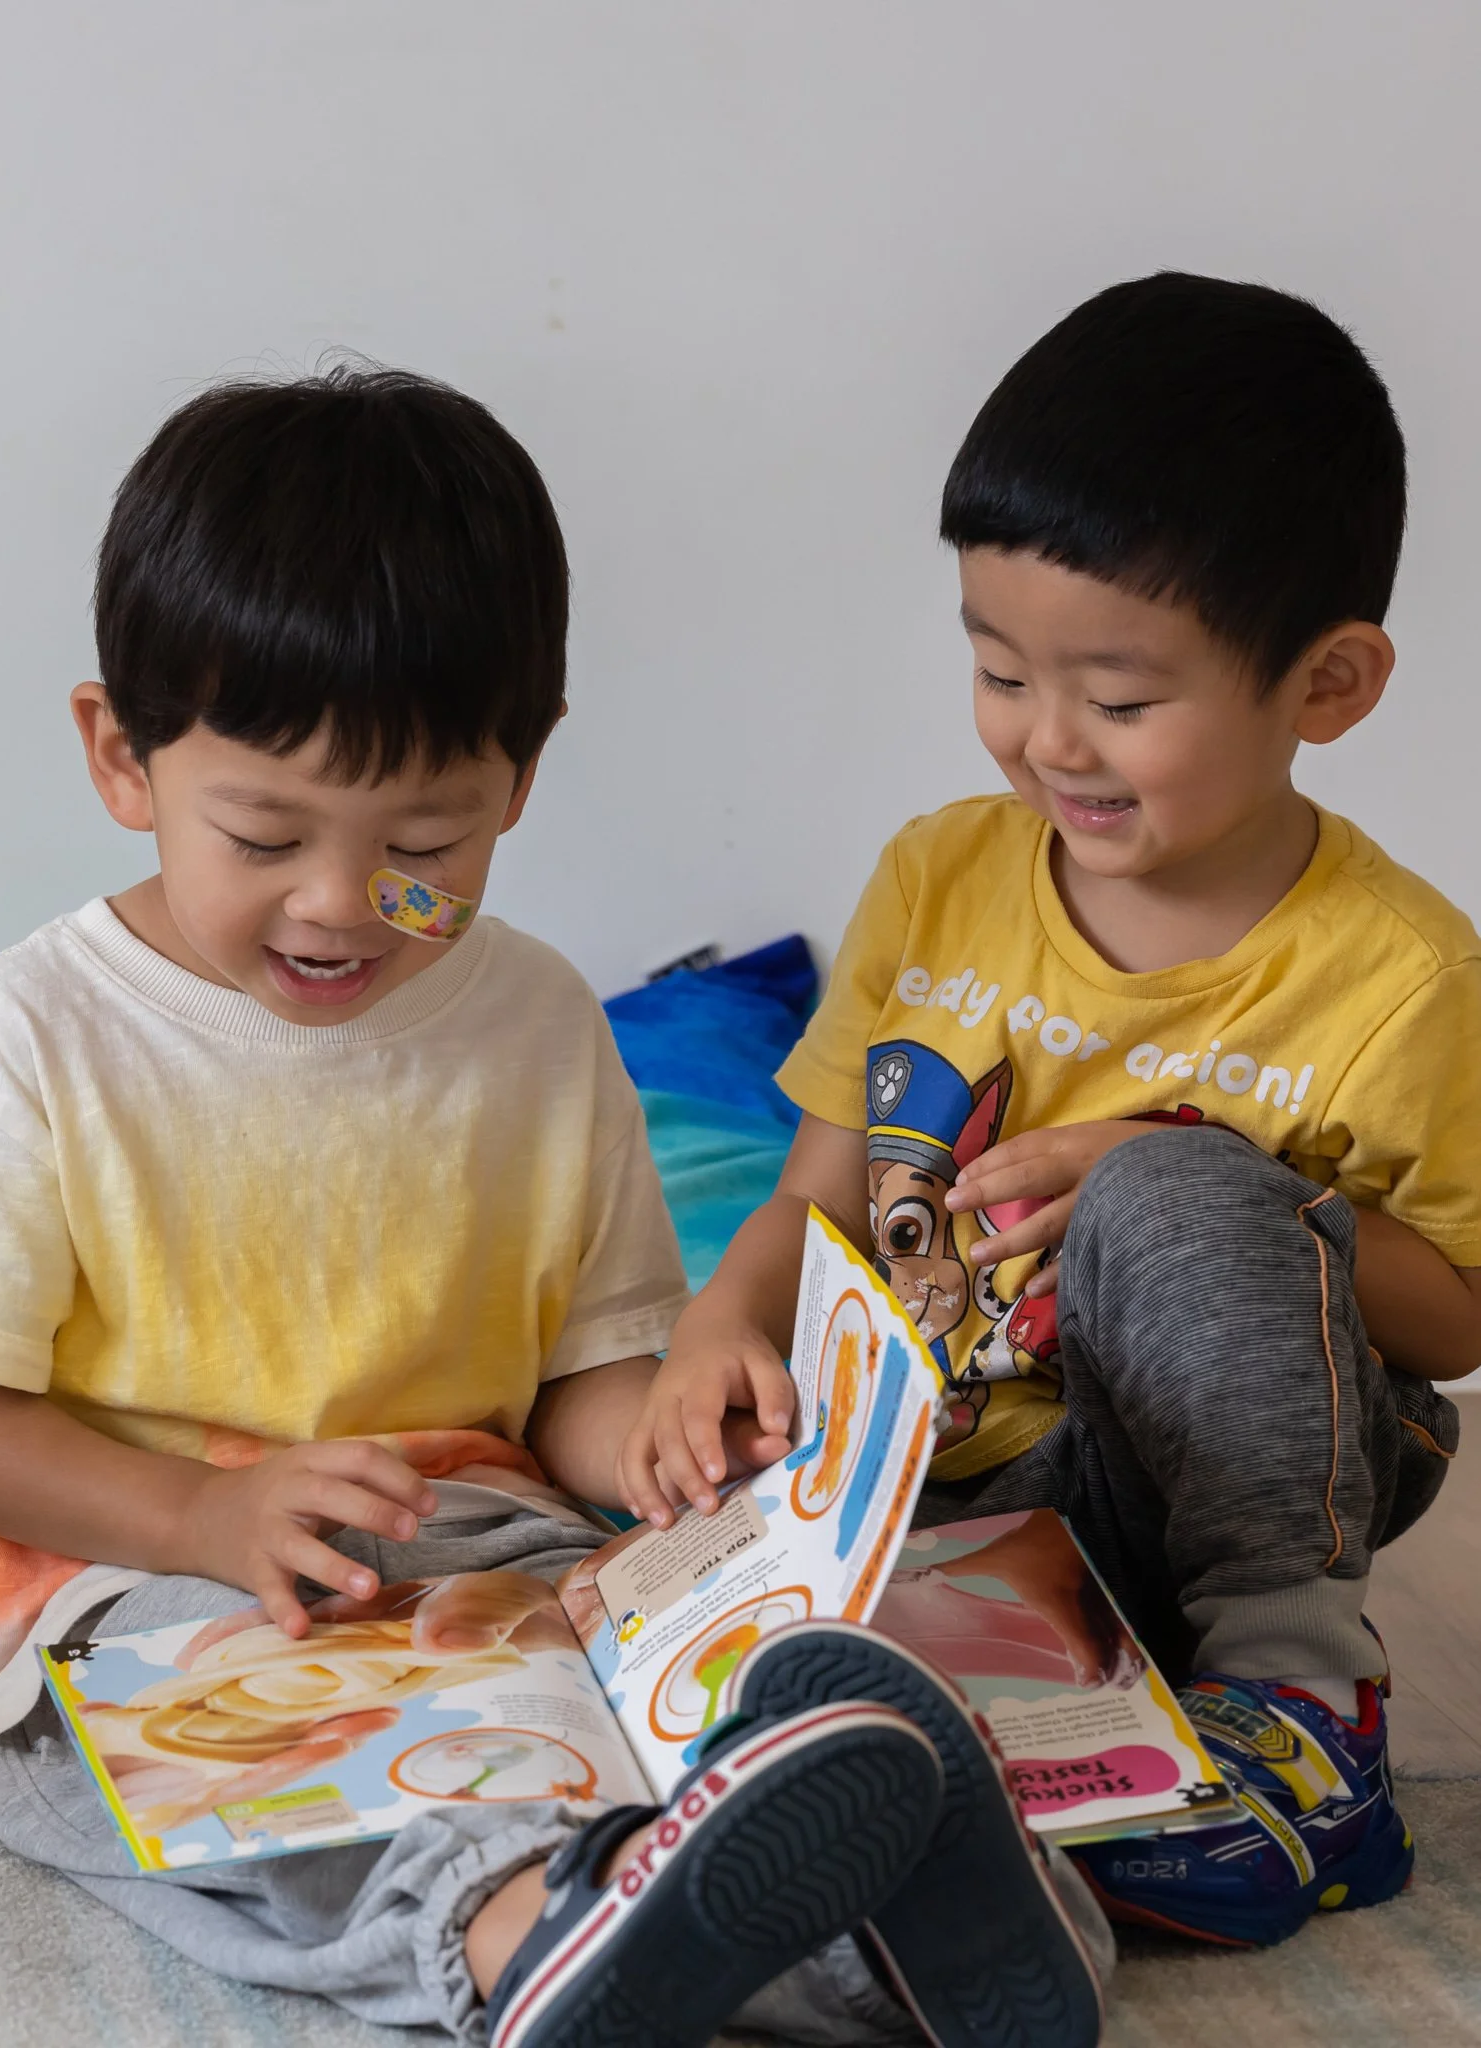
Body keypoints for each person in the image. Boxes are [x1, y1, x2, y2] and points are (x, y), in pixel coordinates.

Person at [0, 368, 1108, 2048]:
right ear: (123, 756)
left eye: (423, 846)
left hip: (489, 1550)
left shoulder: (533, 1020)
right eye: (261, 834)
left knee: (670, 1691)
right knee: (325, 1775)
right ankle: (522, 1939)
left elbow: (578, 1380)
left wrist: (678, 1447)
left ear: (518, 782)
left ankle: (905, 1922)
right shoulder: (36, 1033)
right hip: (117, 1584)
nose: (338, 906)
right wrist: (196, 1523)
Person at [623, 272, 1481, 1948]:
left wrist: (1209, 1174)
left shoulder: (1398, 973)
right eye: (1000, 671)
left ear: (1325, 683)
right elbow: (815, 1193)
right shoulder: (941, 874)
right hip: (949, 1485)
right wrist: (712, 1329)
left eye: (1122, 697)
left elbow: (1450, 1320)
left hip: (1220, 1489)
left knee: (1180, 1190)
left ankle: (1303, 1723)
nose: (1047, 740)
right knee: (647, 1589)